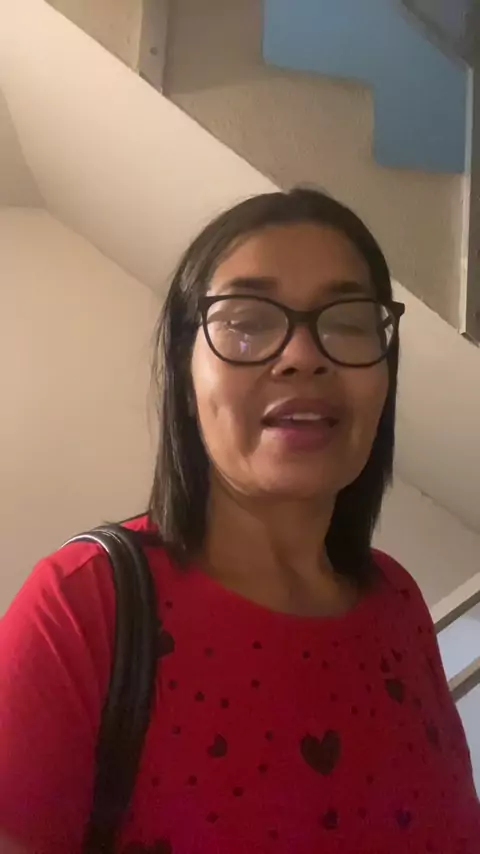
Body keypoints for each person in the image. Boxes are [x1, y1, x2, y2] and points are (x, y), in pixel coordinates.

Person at [0, 188, 478, 854]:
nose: (303, 355)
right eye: (246, 321)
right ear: (185, 376)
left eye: (347, 322)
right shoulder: (82, 608)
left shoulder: (396, 600)